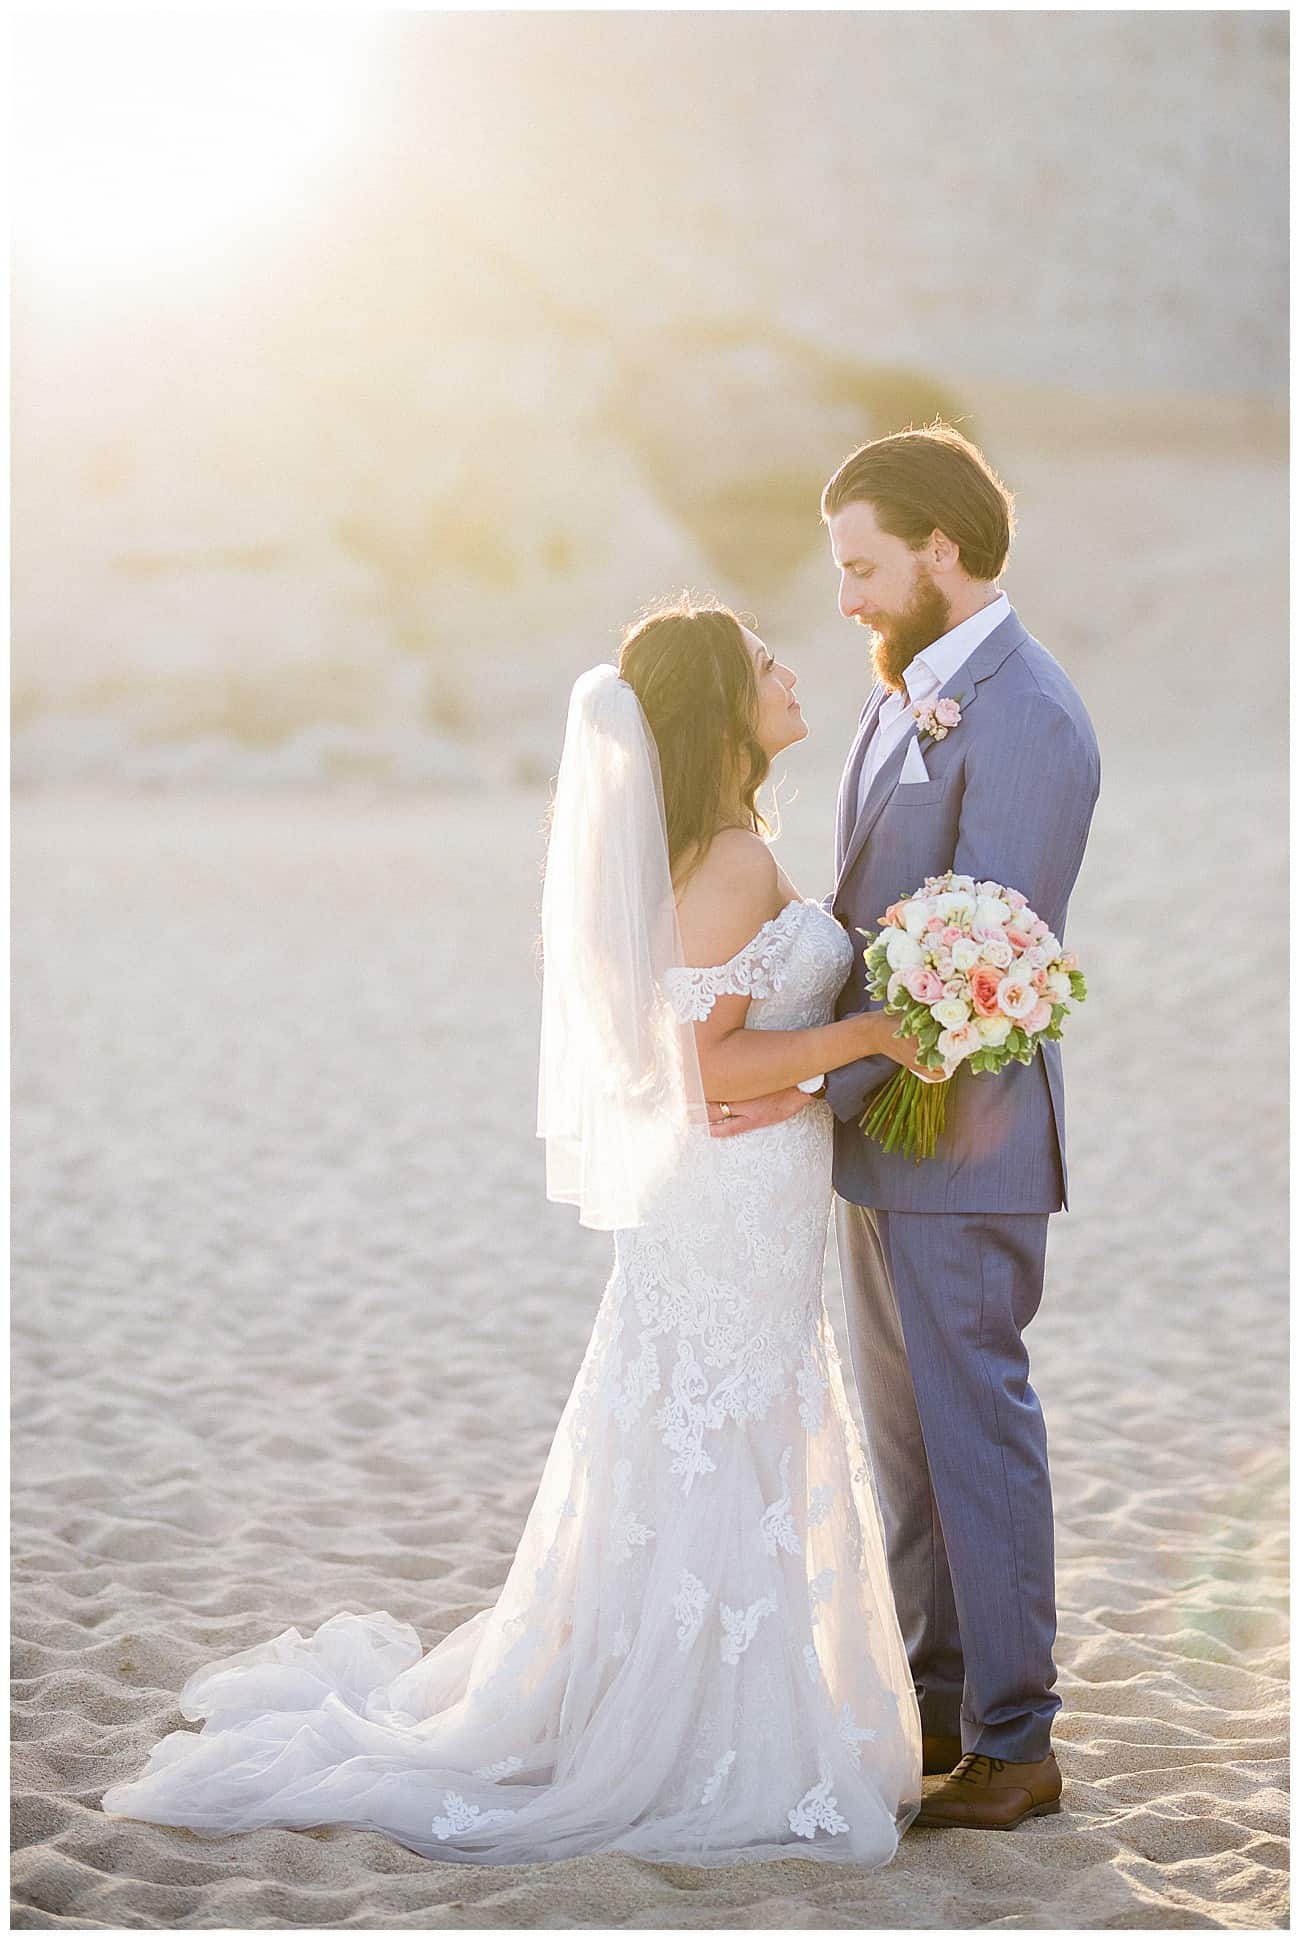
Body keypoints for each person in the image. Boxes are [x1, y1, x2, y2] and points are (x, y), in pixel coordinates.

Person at [100, 598, 930, 1868]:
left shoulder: (720, 848)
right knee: (722, 1434)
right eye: (765, 664)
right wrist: (860, 1041)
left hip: (744, 1191)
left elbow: (710, 1052)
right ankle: (701, 1725)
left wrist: (805, 1075)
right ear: (723, 706)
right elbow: (700, 1065)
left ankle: (708, 1695)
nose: (788, 674)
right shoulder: (722, 856)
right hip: (728, 1206)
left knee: (712, 1434)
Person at [708, 425, 1100, 1831]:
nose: (851, 597)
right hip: (885, 1133)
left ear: (944, 547)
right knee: (908, 1438)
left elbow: (991, 968)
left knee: (975, 1427)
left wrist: (819, 1076)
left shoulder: (1028, 716)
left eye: (866, 564)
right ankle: (940, 1706)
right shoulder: (904, 698)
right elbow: (886, 928)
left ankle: (1017, 1738)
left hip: (966, 1135)